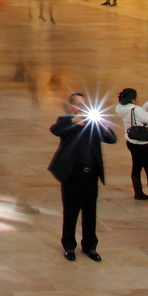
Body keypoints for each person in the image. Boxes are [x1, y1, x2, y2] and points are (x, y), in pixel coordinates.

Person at [48, 93, 116, 261]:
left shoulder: (93, 125)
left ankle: (90, 246)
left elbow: (111, 139)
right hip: (73, 174)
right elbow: (55, 130)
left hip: (90, 175)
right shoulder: (66, 121)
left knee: (90, 212)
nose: (82, 107)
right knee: (71, 211)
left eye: (84, 105)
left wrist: (104, 125)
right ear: (71, 107)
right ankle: (69, 246)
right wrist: (75, 121)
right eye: (78, 104)